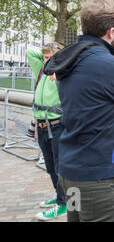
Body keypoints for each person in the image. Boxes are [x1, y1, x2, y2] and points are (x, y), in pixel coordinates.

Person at [43, 0, 114, 222]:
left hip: (71, 174)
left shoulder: (69, 60)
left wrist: (109, 114)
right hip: (100, 181)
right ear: (111, 32)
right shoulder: (110, 66)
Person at [27, 42, 66, 221]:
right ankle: (59, 197)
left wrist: (59, 58)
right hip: (42, 126)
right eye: (45, 58)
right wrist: (49, 51)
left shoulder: (64, 73)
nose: (47, 61)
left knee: (60, 166)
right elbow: (29, 51)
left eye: (50, 58)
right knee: (50, 166)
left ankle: (63, 203)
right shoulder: (42, 71)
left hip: (58, 126)